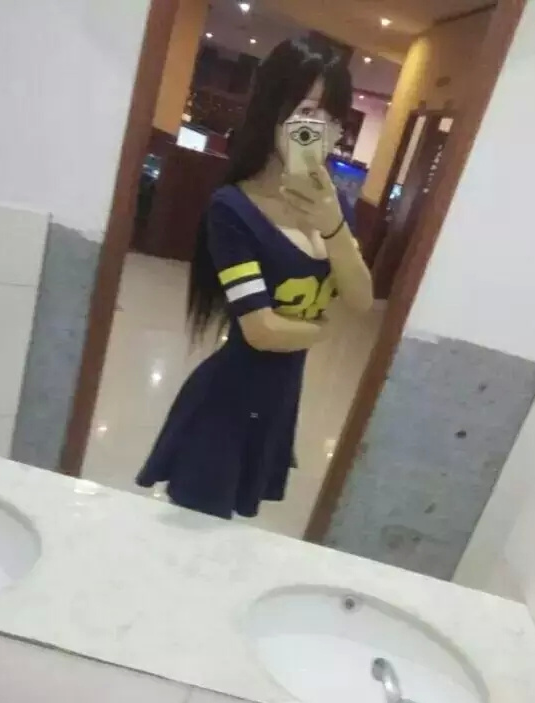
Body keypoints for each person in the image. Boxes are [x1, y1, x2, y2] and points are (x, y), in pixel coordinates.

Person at [136, 35, 374, 519]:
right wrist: (323, 330)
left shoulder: (335, 209)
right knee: (193, 537)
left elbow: (362, 298)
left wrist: (332, 223)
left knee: (227, 543)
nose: (320, 128)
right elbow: (262, 331)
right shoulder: (233, 209)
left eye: (332, 117)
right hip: (226, 401)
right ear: (272, 110)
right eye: (306, 111)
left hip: (278, 403)